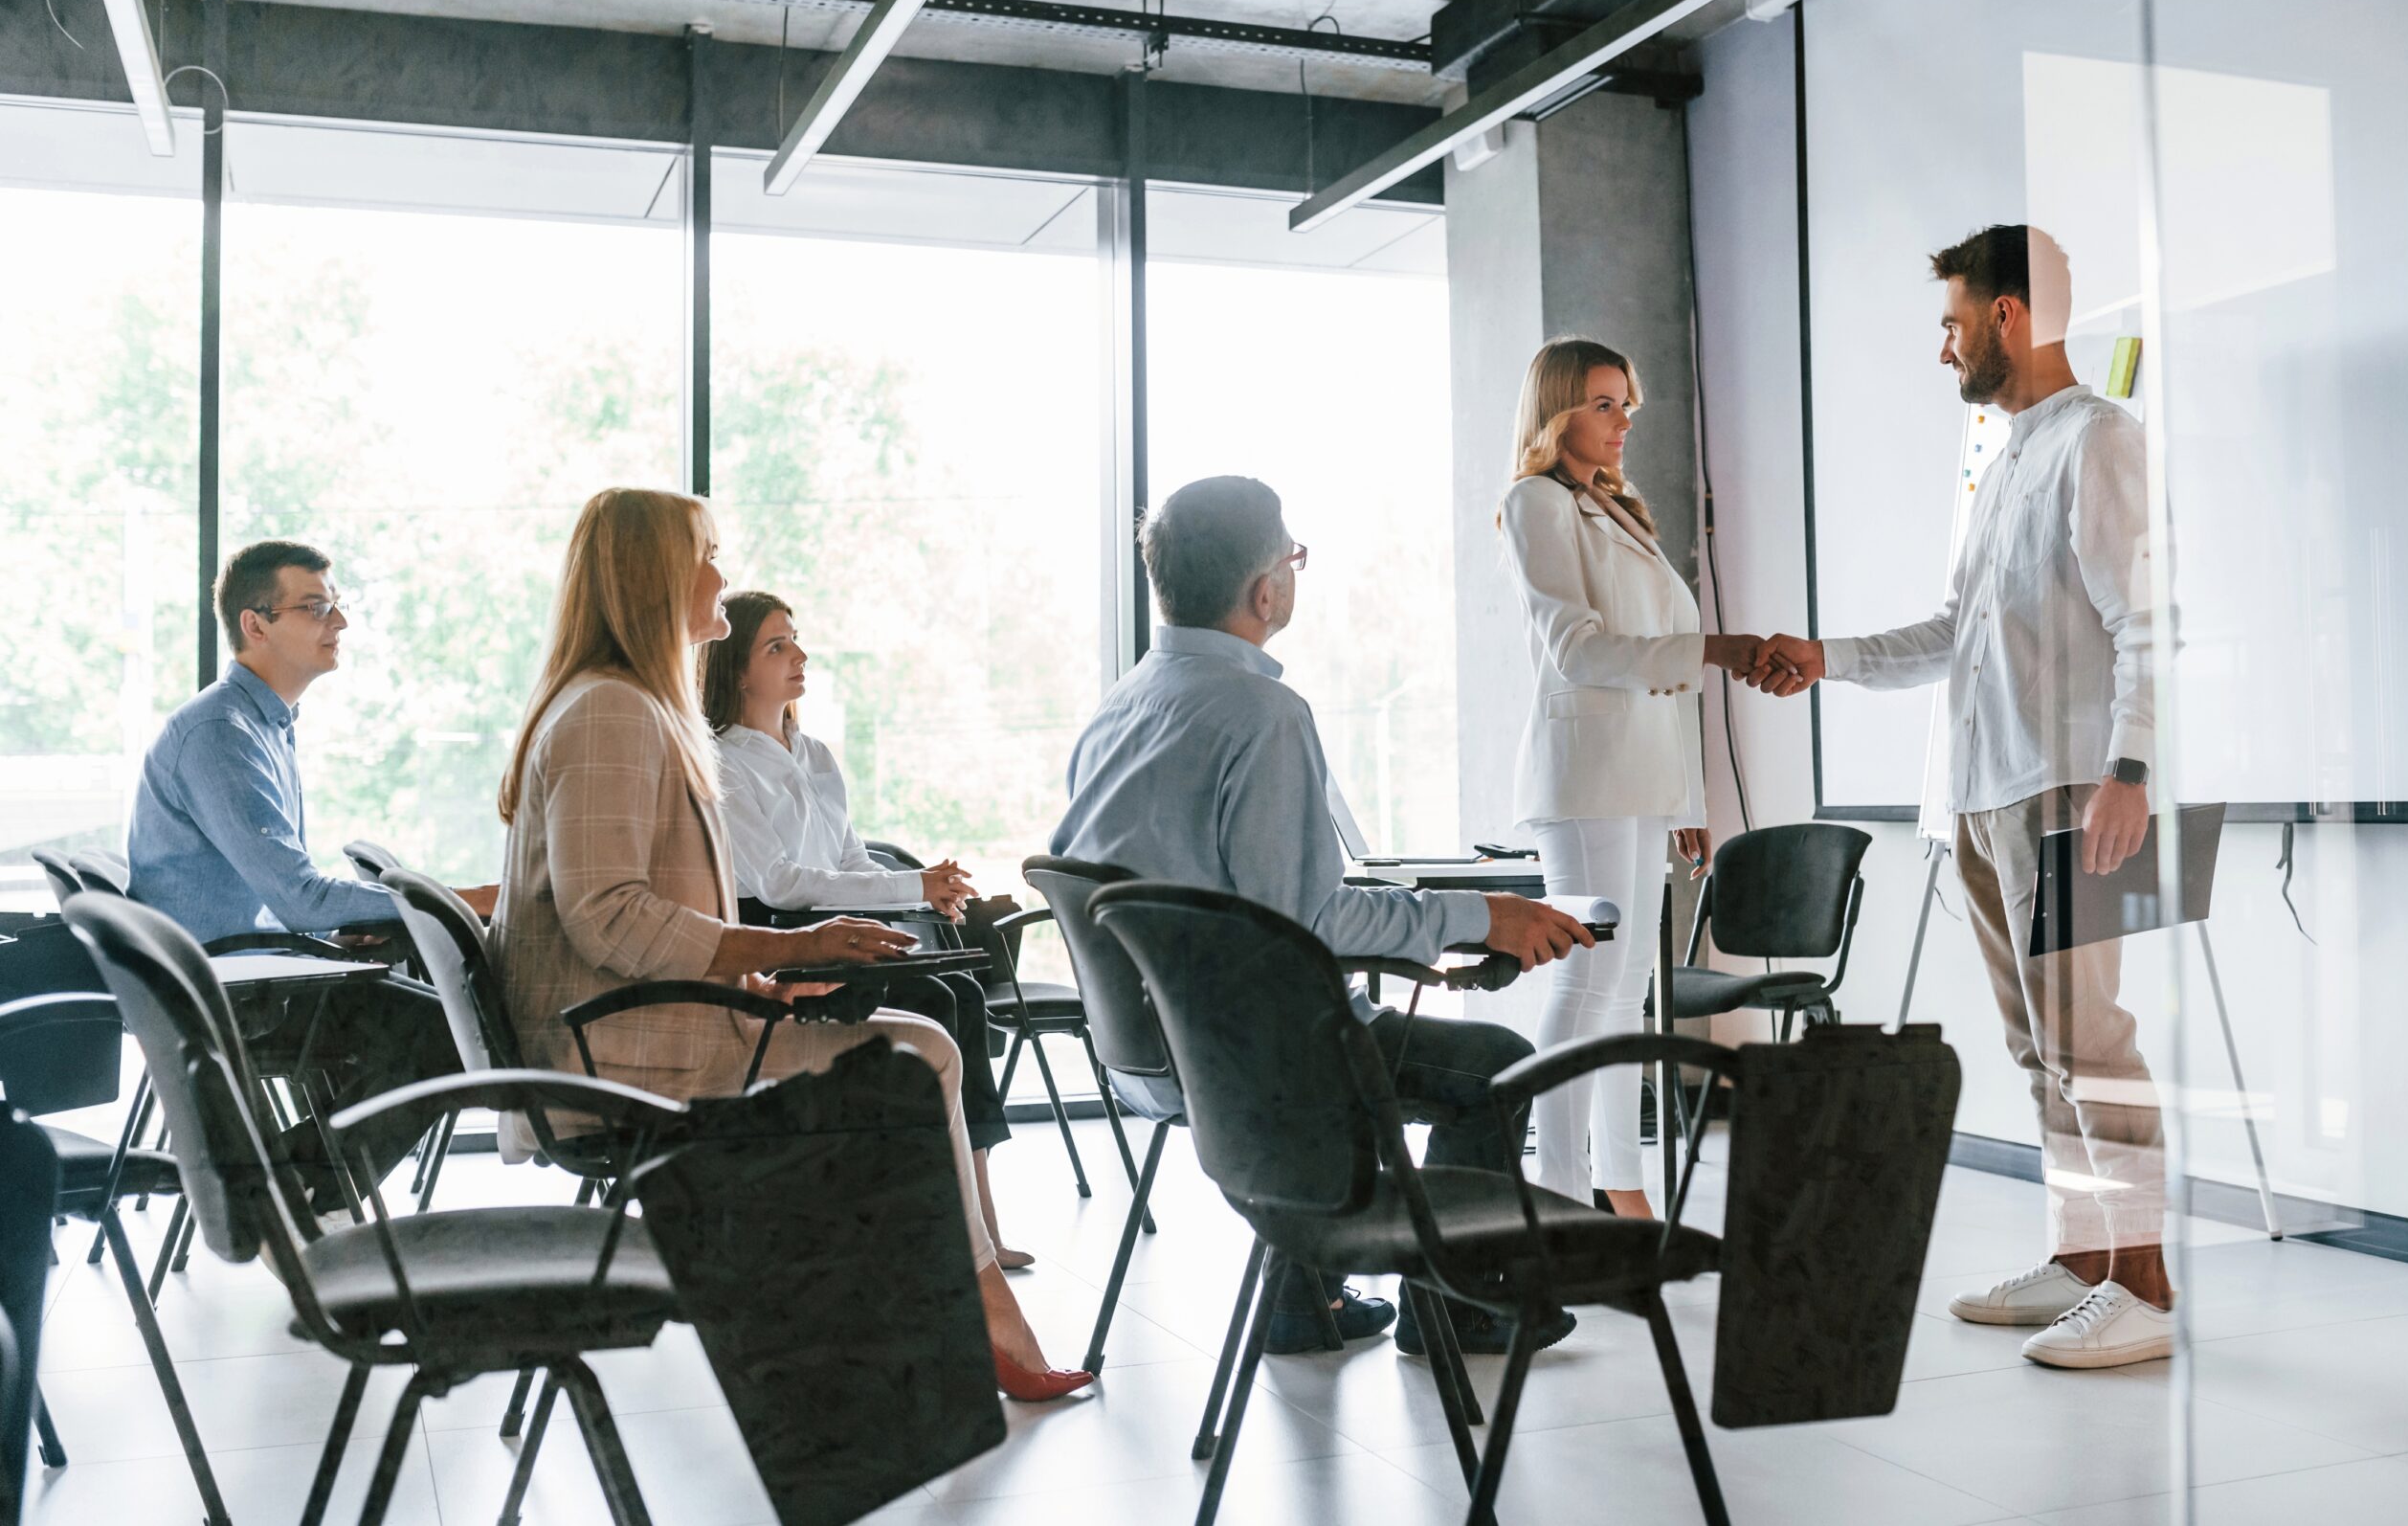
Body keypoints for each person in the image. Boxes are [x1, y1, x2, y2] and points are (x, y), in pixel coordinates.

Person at [490, 487, 1087, 1401]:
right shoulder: (612, 712)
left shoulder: (617, 705)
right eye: (709, 554)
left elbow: (627, 914)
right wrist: (784, 949)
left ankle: (930, 1318)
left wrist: (759, 977)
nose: (723, 581)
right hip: (628, 1057)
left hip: (634, 1029)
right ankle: (968, 1317)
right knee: (920, 1053)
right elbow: (606, 914)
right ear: (656, 578)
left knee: (915, 1042)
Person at [1749, 225, 2171, 1369]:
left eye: (1950, 322)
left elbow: (2148, 619)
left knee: (2092, 1042)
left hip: (2078, 787)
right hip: (1990, 793)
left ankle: (2144, 1286)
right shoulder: (2002, 456)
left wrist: (2130, 771)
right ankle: (2082, 1259)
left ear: (2006, 316)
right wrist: (1825, 655)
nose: (1941, 350)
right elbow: (1954, 632)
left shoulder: (2099, 438)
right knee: (2040, 1049)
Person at [1051, 474, 1597, 1358]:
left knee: (1341, 1021)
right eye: (1292, 558)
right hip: (1248, 1064)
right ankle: (1455, 1308)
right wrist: (1476, 918)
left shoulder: (1117, 709)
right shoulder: (1262, 714)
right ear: (1267, 590)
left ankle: (1301, 1303)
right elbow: (1302, 921)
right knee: (1494, 1065)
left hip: (1152, 1050)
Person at [1497, 337, 1764, 1221]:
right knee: (1586, 984)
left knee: (1623, 991)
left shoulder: (1618, 510)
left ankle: (1621, 1185)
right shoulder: (1536, 502)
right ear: (1558, 410)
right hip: (1587, 779)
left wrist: (1685, 796)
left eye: (1628, 406)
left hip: (1643, 780)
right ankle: (1558, 1195)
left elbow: (1665, 685)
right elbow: (1579, 650)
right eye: (1604, 404)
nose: (1623, 423)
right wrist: (1714, 649)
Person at [126, 539, 469, 1212]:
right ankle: (286, 1188)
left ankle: (298, 1181)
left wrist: (352, 923)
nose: (338, 623)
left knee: (421, 1002)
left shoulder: (262, 724)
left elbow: (285, 895)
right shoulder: (221, 733)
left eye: (336, 605)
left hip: (250, 970)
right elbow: (299, 896)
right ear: (256, 625)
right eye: (316, 607)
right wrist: (445, 907)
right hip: (232, 995)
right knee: (448, 1029)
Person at [702, 588, 1034, 1270]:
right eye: (777, 646)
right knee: (940, 1003)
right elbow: (781, 884)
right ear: (738, 670)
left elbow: (851, 860)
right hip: (779, 940)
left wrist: (921, 899)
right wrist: (911, 885)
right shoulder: (723, 762)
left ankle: (978, 1222)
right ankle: (939, 1226)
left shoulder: (814, 753)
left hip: (840, 927)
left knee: (965, 997)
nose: (800, 654)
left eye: (795, 639)